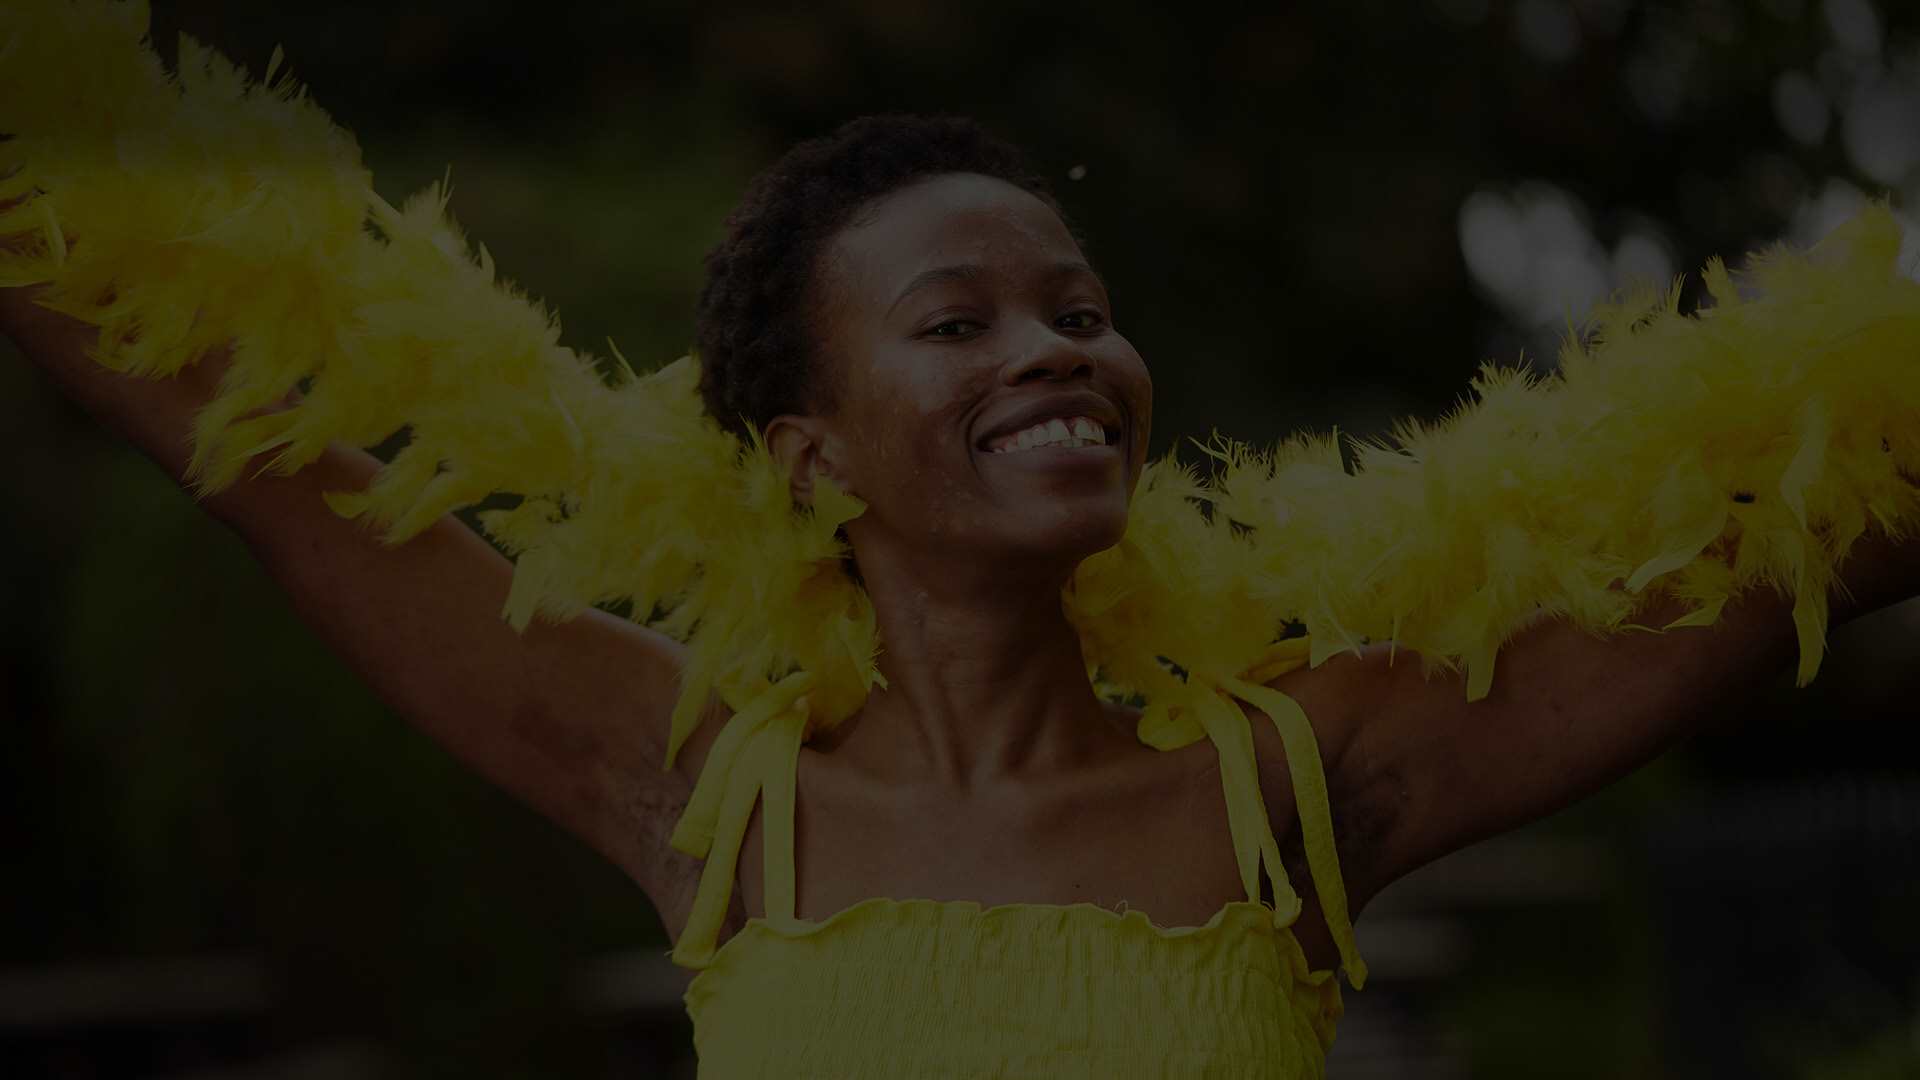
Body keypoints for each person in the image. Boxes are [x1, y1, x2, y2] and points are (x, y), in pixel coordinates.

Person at [6, 46, 1918, 1076]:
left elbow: (1803, 546)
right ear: (809, 459)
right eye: (960, 323)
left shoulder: (1291, 784)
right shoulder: (705, 792)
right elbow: (252, 457)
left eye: (1078, 307)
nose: (1056, 351)